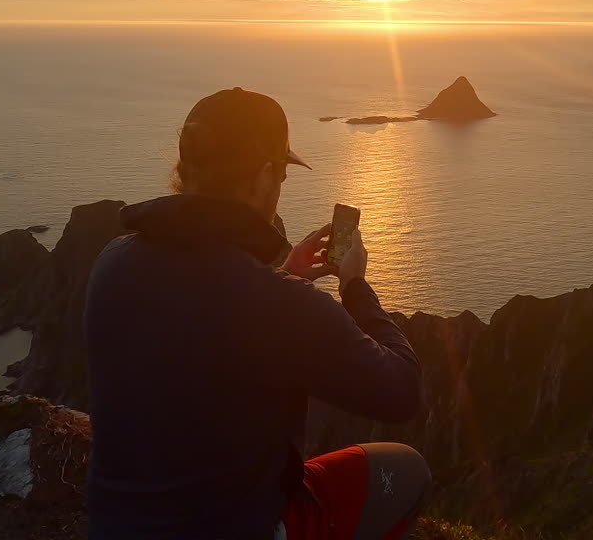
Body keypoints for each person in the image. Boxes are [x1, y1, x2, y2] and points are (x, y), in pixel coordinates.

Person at [84, 87, 429, 540]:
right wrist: (355, 287)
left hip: (115, 527)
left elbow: (202, 317)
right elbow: (402, 391)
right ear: (266, 174)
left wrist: (283, 277)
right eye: (282, 173)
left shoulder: (113, 261)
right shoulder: (276, 304)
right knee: (407, 471)